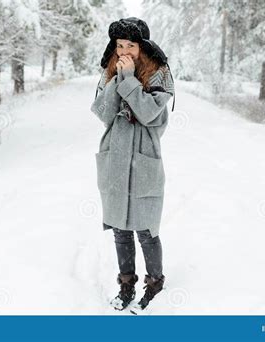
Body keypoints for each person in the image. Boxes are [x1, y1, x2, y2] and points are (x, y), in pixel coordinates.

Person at [90, 17, 175, 311]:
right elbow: (103, 113)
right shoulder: (110, 73)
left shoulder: (158, 76)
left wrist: (128, 81)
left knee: (146, 229)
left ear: (143, 47)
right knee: (119, 228)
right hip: (115, 156)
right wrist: (117, 80)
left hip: (143, 158)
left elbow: (150, 114)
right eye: (119, 45)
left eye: (130, 45)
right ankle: (126, 283)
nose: (124, 50)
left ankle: (154, 283)